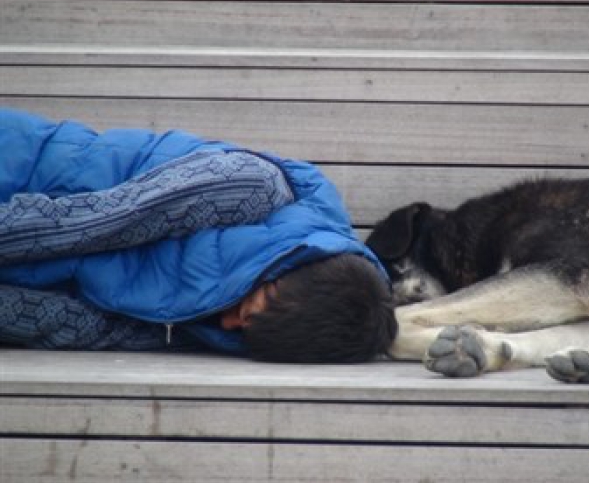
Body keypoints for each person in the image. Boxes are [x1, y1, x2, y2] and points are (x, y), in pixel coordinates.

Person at [0, 107, 396, 363]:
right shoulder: (252, 187)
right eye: (248, 312)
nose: (228, 327)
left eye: (245, 330)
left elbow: (74, 326)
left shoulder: (223, 327)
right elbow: (88, 222)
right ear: (286, 273)